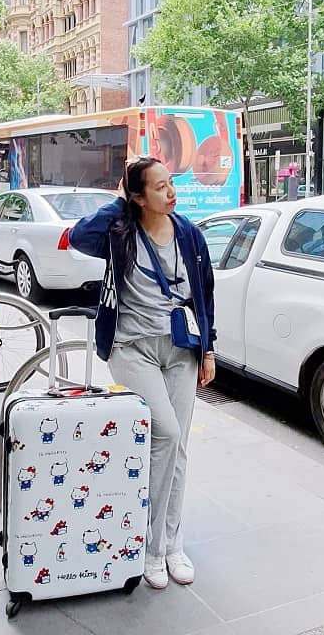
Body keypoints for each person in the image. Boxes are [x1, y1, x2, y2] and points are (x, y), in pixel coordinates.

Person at [69, 156, 216, 590]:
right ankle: (151, 548)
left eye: (171, 184)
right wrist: (119, 204)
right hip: (132, 348)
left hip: (182, 349)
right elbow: (79, 237)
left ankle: (173, 543)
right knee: (166, 435)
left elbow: (205, 292)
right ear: (137, 196)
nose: (171, 193)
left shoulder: (189, 233)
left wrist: (209, 349)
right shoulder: (119, 230)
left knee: (179, 447)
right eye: (158, 187)